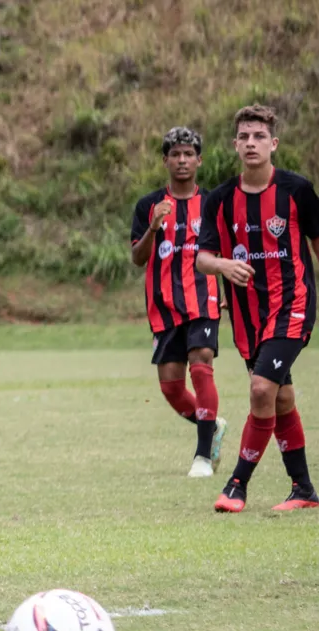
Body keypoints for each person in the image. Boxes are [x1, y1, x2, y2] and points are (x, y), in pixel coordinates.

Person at [196, 104, 319, 513]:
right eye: (244, 137)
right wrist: (224, 265)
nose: (251, 143)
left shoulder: (297, 191)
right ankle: (303, 489)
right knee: (279, 398)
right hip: (247, 316)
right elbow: (202, 258)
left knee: (261, 388)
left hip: (293, 303)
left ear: (273, 144)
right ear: (235, 145)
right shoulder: (219, 200)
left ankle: (236, 485)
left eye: (259, 136)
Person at [130, 127, 227, 478]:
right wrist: (153, 228)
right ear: (165, 161)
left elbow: (227, 251)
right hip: (164, 305)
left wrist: (229, 292)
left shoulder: (214, 203)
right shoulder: (148, 206)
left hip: (203, 298)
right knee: (172, 387)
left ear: (199, 160)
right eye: (176, 155)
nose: (182, 160)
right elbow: (138, 258)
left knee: (201, 363)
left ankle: (203, 456)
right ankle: (212, 425)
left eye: (189, 154)